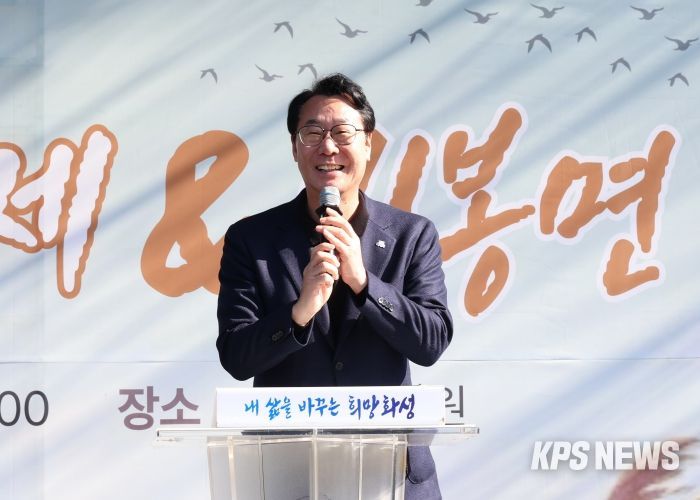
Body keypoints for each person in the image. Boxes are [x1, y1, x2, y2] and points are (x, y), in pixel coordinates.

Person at [217, 73, 453, 499]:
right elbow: (236, 356)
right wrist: (299, 312)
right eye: (312, 133)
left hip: (391, 475)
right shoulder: (252, 239)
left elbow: (431, 342)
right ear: (294, 148)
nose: (328, 147)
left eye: (343, 133)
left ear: (368, 144)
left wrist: (364, 284)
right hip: (290, 473)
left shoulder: (411, 234)